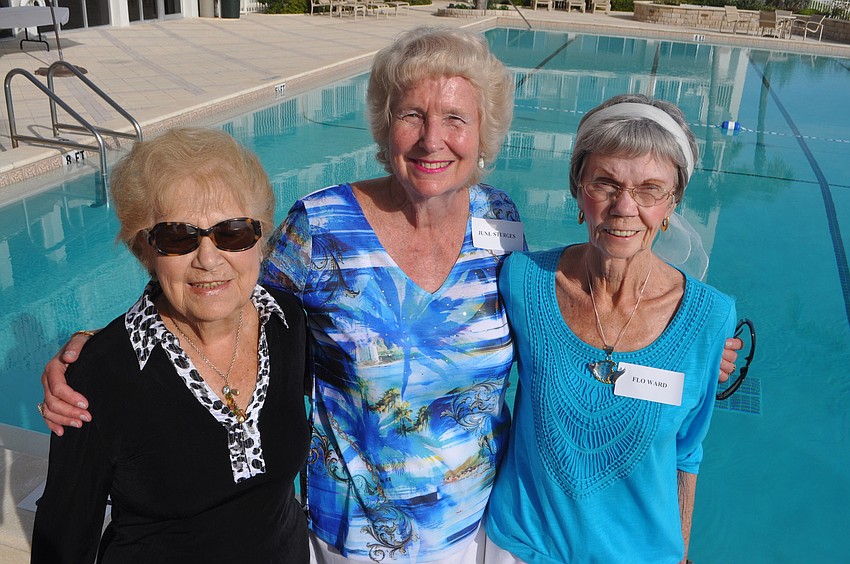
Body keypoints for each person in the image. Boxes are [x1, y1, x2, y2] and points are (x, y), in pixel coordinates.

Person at [36, 28, 741, 563]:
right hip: (349, 535)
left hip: (478, 535)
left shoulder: (502, 228)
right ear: (383, 128)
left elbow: (586, 326)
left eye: (456, 120)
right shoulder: (321, 227)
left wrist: (700, 352)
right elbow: (225, 293)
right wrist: (99, 347)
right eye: (411, 115)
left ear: (484, 134)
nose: (433, 139)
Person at [31, 128, 311, 563]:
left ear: (260, 238)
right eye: (178, 237)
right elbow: (63, 537)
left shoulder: (288, 322)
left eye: (233, 233)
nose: (208, 259)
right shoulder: (102, 375)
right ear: (147, 249)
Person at [483, 94, 737, 564]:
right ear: (578, 188)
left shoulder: (708, 320)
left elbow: (688, 452)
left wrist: (681, 554)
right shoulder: (523, 282)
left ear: (672, 201)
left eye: (649, 189)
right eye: (606, 183)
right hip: (520, 547)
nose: (625, 207)